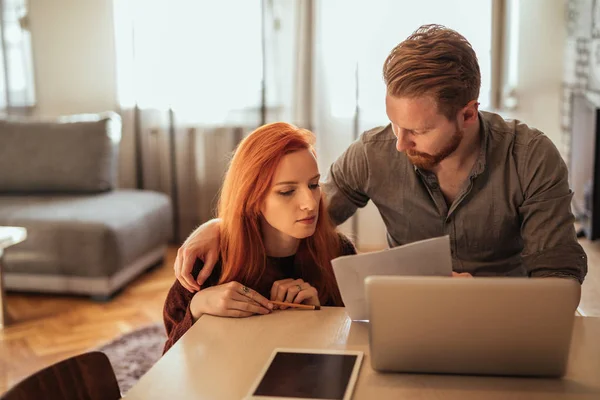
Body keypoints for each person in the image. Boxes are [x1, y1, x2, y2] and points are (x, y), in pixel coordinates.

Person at [173, 24, 587, 293]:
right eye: (394, 124)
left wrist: (481, 295)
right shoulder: (373, 153)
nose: (400, 144)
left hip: (505, 319)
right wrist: (223, 224)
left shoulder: (531, 157)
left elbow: (560, 280)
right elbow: (305, 215)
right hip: (407, 314)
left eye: (418, 131)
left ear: (467, 113)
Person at [163, 122, 356, 352]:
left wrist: (321, 316)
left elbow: (356, 349)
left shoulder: (339, 253)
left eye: (313, 184)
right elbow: (171, 360)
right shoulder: (206, 266)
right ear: (251, 197)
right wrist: (197, 307)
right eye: (287, 191)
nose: (310, 203)